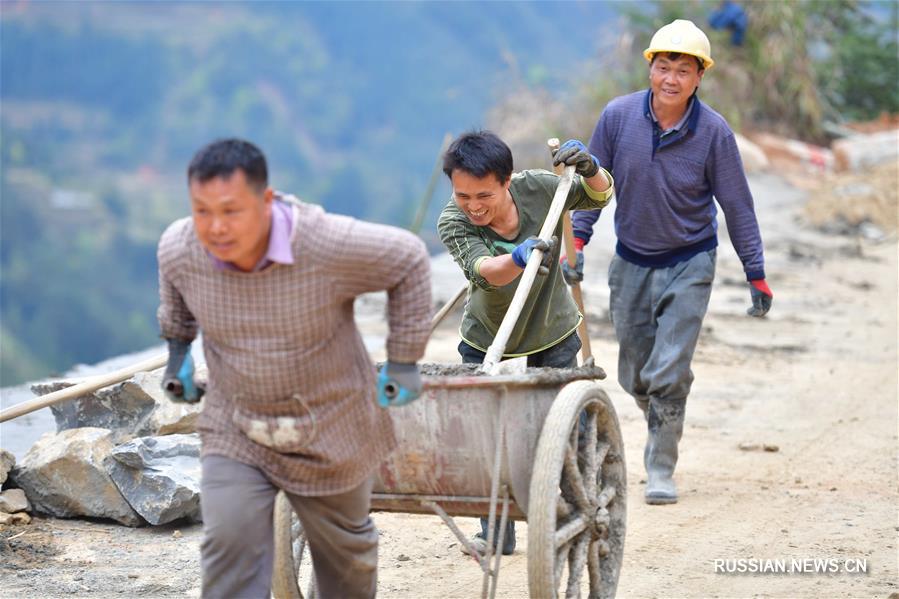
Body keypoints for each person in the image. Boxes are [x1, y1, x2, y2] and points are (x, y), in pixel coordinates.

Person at [157, 138, 432, 598]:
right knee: (229, 546)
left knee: (345, 567)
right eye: (201, 211)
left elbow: (408, 258)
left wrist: (404, 360)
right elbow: (177, 298)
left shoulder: (323, 243)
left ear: (266, 200)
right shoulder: (181, 248)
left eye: (231, 211)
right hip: (236, 426)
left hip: (333, 429)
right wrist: (177, 354)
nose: (215, 228)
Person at [565, 19, 773, 505]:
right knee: (635, 375)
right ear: (650, 70)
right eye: (663, 67)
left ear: (699, 77)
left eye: (683, 70)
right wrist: (577, 242)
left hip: (690, 262)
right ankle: (663, 407)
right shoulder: (617, 118)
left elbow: (738, 206)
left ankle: (660, 466)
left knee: (669, 371)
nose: (671, 79)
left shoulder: (714, 133)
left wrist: (756, 274)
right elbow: (593, 187)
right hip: (631, 262)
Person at [437, 130, 614, 555]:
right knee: (488, 440)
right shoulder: (453, 221)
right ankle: (496, 534)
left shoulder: (540, 188)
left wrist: (591, 170)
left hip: (552, 332)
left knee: (568, 430)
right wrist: (517, 258)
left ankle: (577, 517)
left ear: (507, 180)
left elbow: (599, 196)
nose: (473, 206)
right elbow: (483, 269)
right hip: (488, 341)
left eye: (484, 195)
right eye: (463, 195)